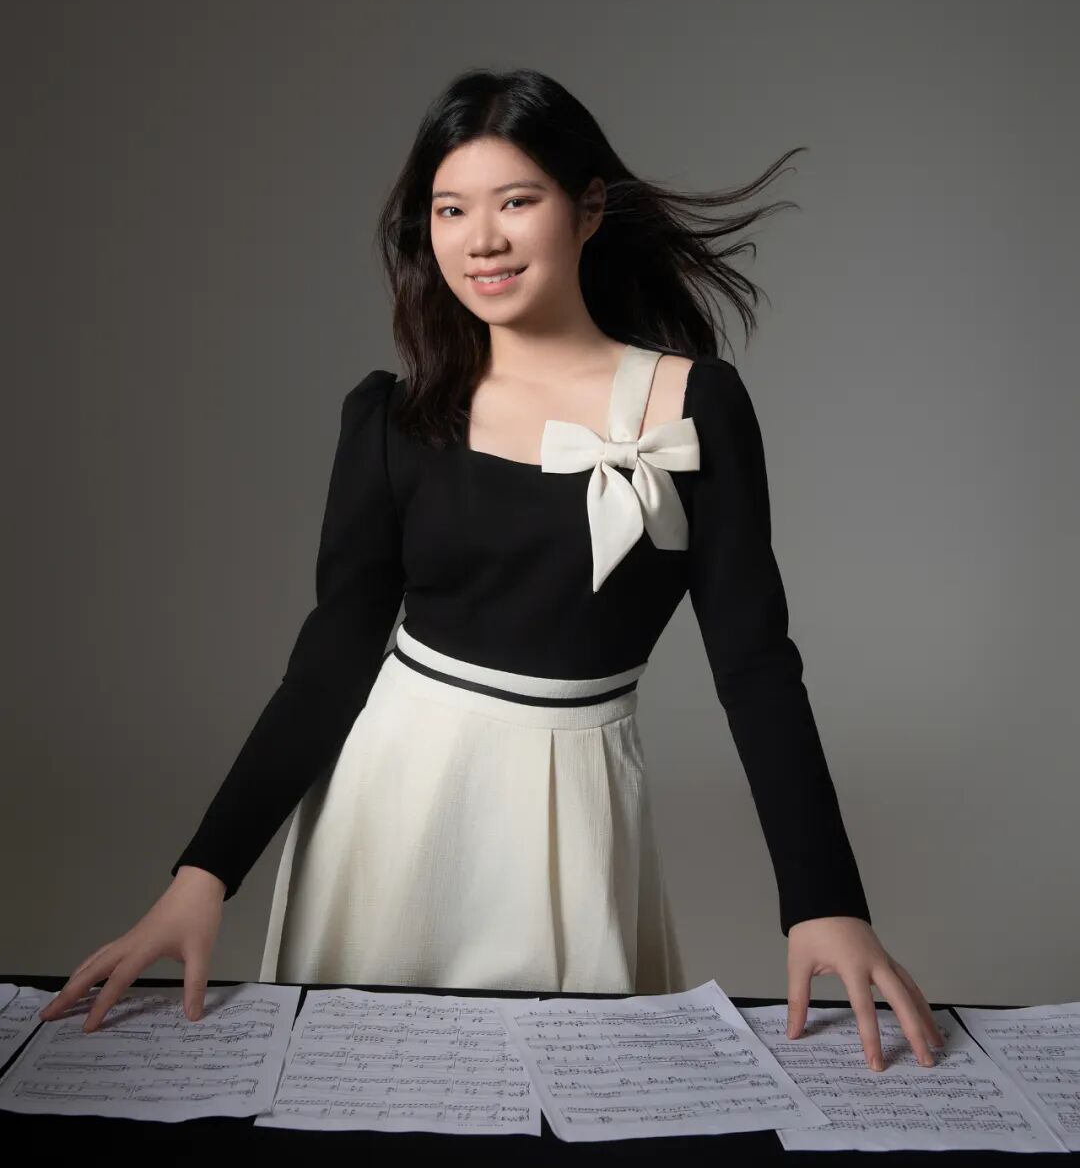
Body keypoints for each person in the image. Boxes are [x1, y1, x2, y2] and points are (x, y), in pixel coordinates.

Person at [40, 67, 944, 1075]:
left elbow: (757, 664)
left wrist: (825, 901)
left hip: (581, 804)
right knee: (364, 1110)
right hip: (391, 806)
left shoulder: (695, 406)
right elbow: (330, 661)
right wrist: (201, 876)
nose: (482, 240)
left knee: (579, 1117)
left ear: (587, 208)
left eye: (516, 201)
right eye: (450, 209)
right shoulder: (391, 419)